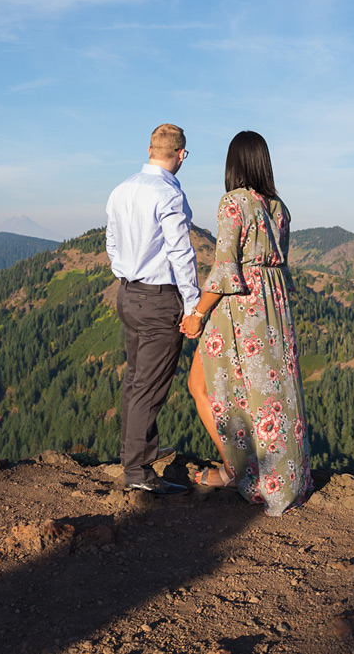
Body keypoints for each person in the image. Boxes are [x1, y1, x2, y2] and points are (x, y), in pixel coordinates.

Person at [181, 131, 312, 516]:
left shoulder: (233, 202)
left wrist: (197, 314)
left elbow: (225, 269)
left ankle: (234, 470)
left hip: (239, 308)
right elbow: (278, 261)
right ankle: (281, 476)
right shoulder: (279, 207)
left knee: (201, 386)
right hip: (274, 306)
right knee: (270, 396)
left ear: (233, 163)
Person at [106, 123, 199, 495]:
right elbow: (180, 252)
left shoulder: (121, 189)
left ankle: (133, 457)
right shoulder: (168, 194)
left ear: (149, 150)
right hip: (159, 299)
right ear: (181, 155)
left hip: (128, 293)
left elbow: (111, 240)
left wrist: (124, 272)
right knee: (149, 387)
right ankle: (138, 472)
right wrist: (192, 305)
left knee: (134, 381)